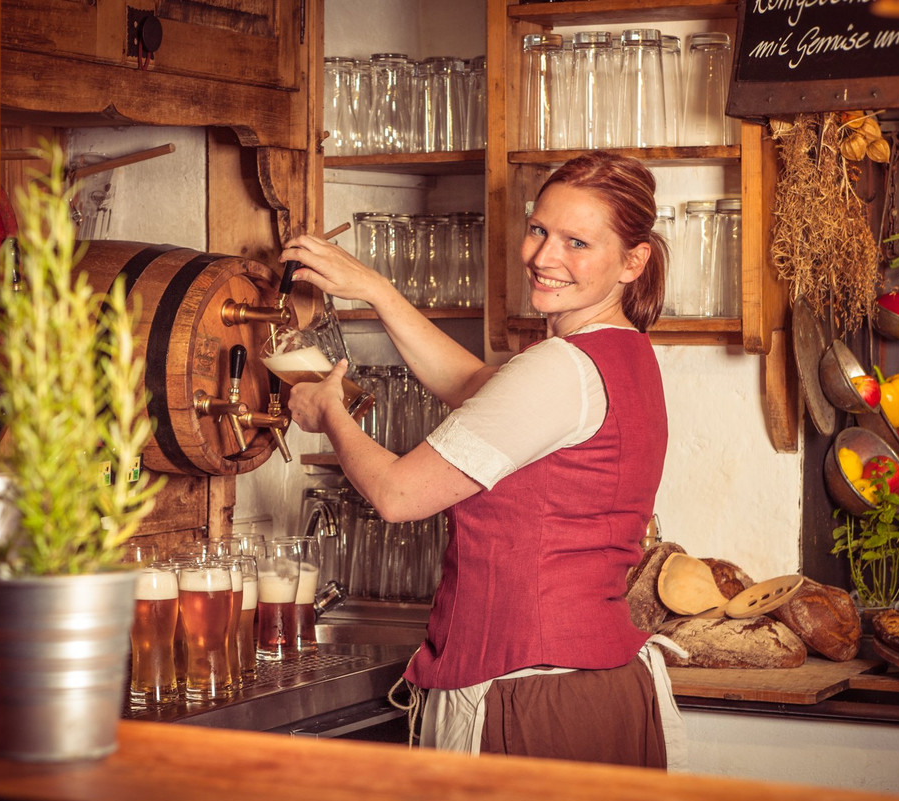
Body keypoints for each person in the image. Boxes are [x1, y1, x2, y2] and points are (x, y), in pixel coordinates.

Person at [278, 152, 683, 768]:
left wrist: (330, 411)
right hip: (601, 686)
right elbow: (474, 384)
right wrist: (376, 290)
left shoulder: (560, 367)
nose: (545, 257)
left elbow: (397, 495)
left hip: (529, 699)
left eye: (577, 242)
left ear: (634, 261)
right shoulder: (621, 354)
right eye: (539, 230)